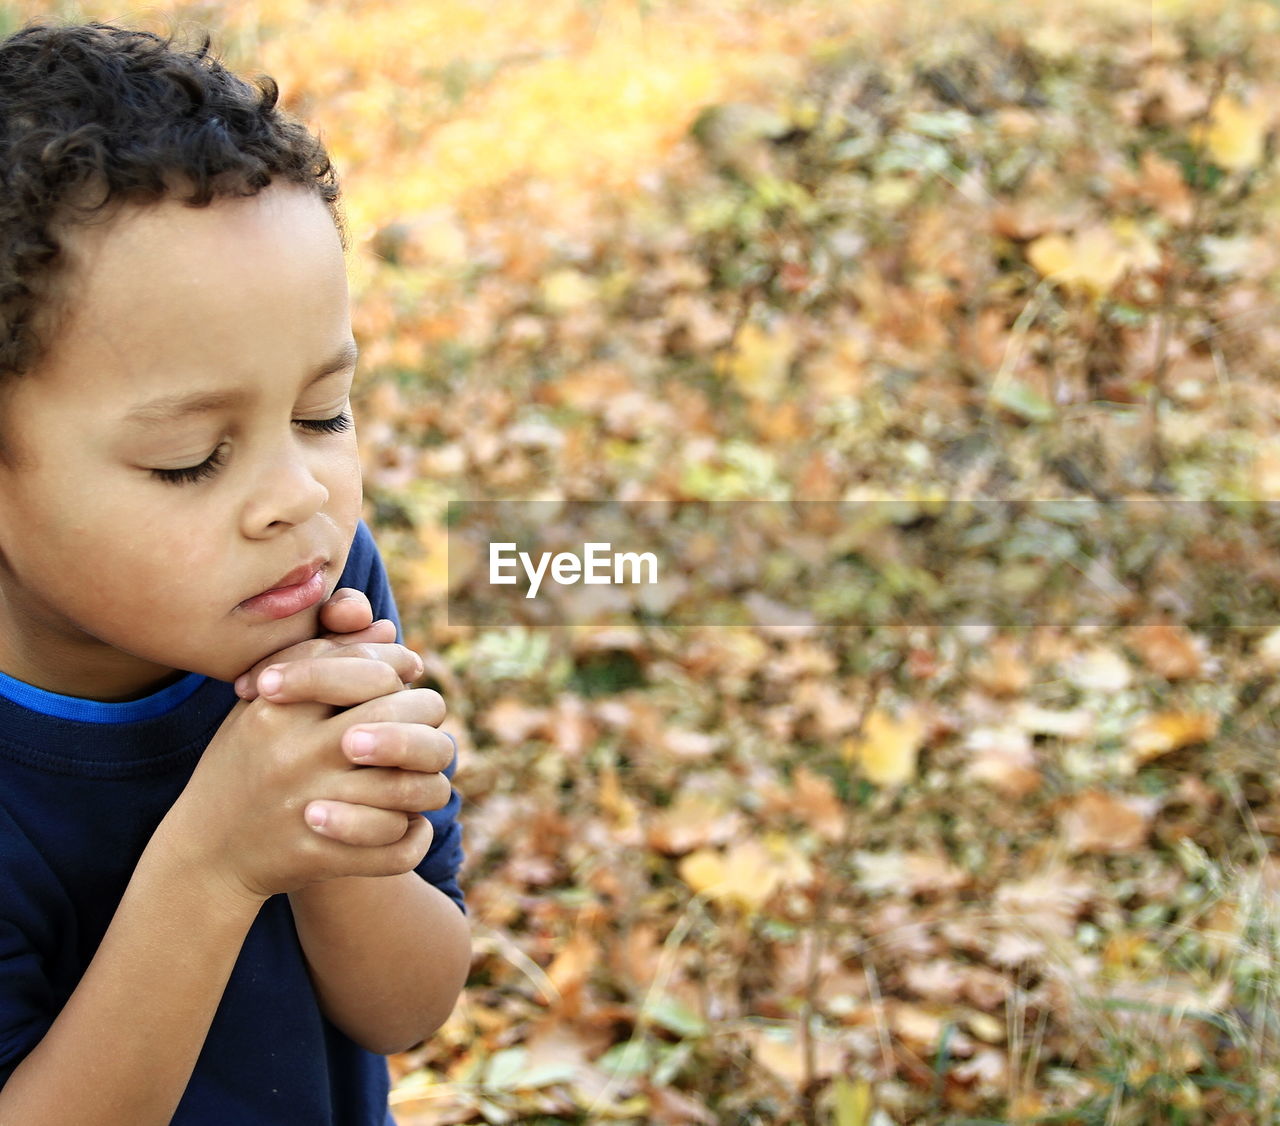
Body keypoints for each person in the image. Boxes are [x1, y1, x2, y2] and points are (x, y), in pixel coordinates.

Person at [0, 21, 470, 1125]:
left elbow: (406, 1008)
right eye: (189, 459)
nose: (296, 498)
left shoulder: (314, 595)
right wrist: (213, 864)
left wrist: (326, 835)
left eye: (322, 413)